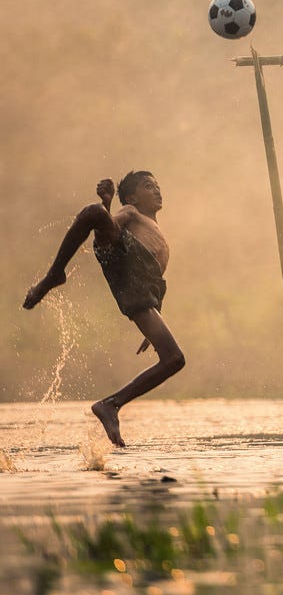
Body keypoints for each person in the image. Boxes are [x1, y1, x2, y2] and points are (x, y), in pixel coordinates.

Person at [23, 171, 185, 447]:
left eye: (158, 186)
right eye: (149, 186)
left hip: (140, 287)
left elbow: (156, 279)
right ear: (133, 197)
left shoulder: (154, 228)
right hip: (122, 257)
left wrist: (157, 314)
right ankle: (54, 275)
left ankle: (111, 404)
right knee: (95, 212)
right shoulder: (132, 212)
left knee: (174, 359)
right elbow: (110, 228)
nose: (157, 191)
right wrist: (108, 204)